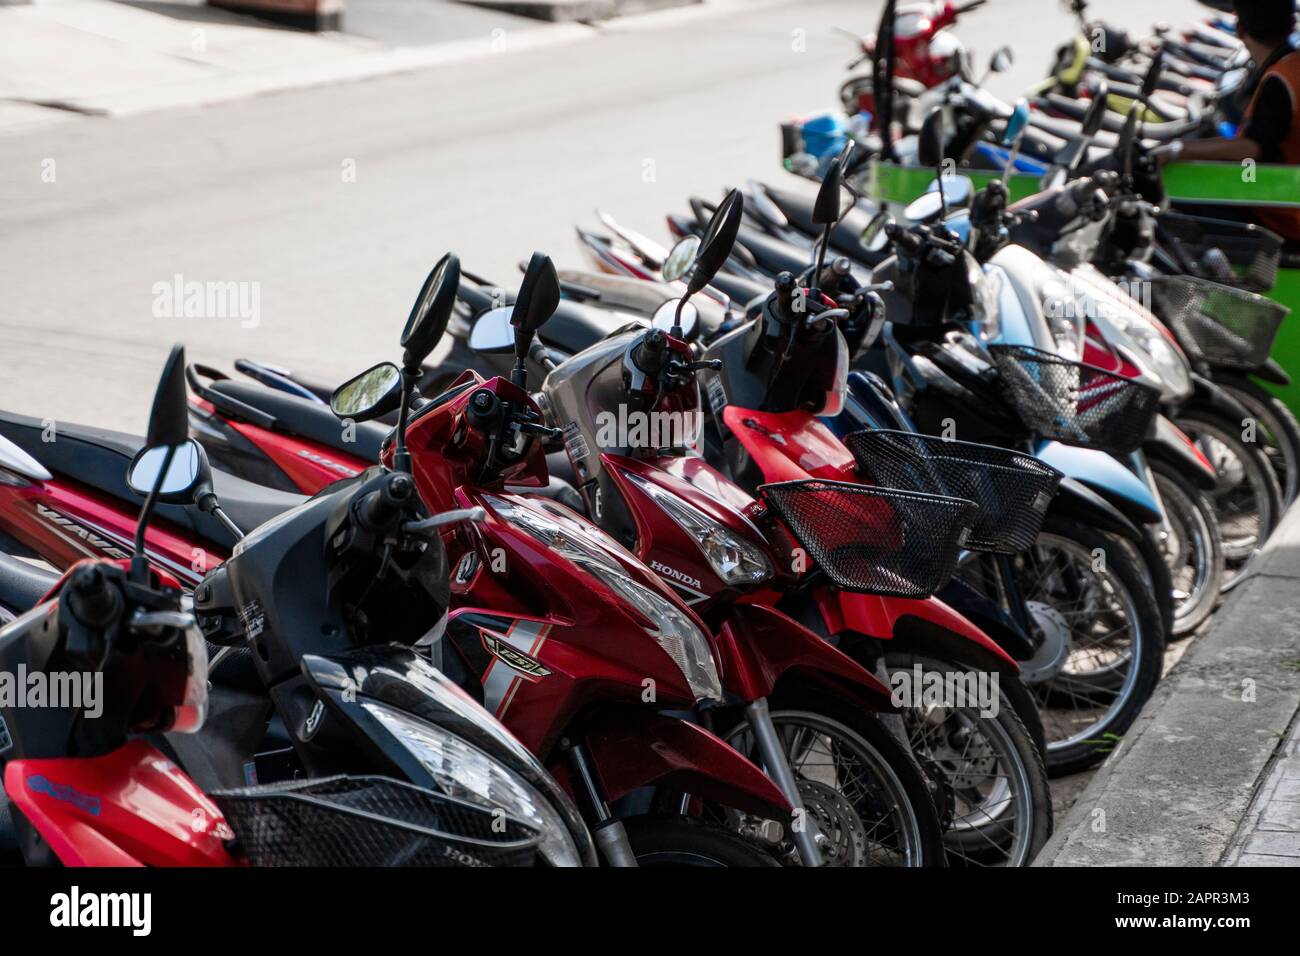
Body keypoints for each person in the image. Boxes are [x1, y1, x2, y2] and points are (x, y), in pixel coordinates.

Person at [1153, 0, 1300, 239]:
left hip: (1280, 211)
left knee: (1176, 198)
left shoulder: (1280, 79)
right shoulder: (1292, 67)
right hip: (1283, 195)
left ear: (1240, 29)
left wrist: (1177, 150)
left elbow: (1251, 147)